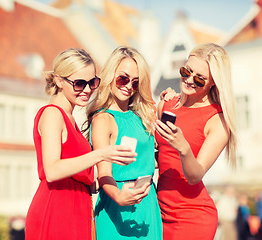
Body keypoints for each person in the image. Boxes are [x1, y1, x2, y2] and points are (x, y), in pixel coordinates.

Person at [25, 48, 136, 240]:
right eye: (79, 84)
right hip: (57, 208)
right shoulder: (52, 114)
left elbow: (74, 169)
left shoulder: (70, 117)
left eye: (92, 82)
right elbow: (51, 171)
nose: (87, 90)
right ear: (59, 81)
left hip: (76, 205)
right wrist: (101, 154)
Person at [155, 42, 237, 239]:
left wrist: (183, 147)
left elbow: (195, 176)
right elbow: (159, 157)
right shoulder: (166, 104)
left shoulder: (217, 119)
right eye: (186, 71)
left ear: (213, 83)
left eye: (200, 79)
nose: (189, 80)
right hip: (158, 209)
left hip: (192, 215)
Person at [84, 46, 163, 239]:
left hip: (148, 204)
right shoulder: (102, 120)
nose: (128, 86)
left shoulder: (142, 116)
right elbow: (103, 174)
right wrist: (119, 197)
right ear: (110, 75)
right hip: (118, 205)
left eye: (135, 83)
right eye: (123, 78)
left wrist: (168, 96)